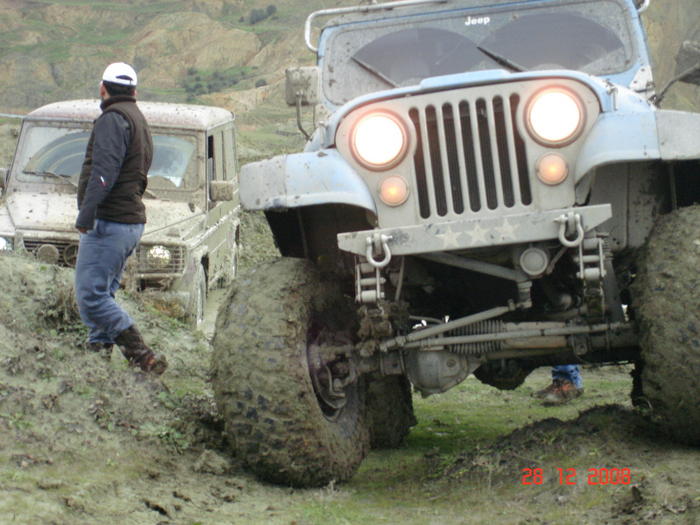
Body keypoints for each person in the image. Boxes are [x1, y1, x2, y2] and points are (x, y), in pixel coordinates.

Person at [74, 62, 167, 375]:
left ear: (103, 88)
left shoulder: (112, 120)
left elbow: (104, 172)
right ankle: (97, 360)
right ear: (134, 92)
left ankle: (143, 356)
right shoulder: (138, 119)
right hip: (128, 222)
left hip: (110, 221)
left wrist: (86, 214)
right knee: (103, 293)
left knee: (90, 295)